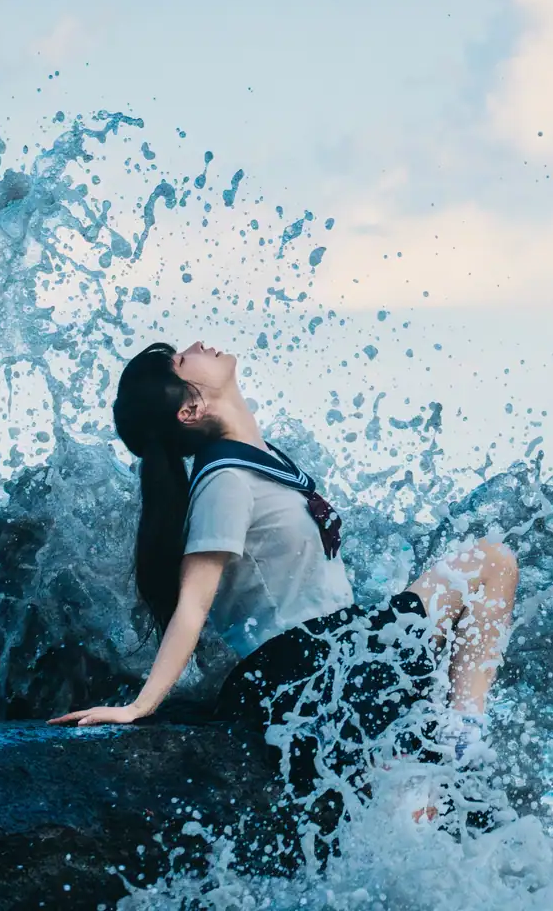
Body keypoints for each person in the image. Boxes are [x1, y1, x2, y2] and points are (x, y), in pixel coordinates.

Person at [50, 340, 518, 796]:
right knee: (490, 562)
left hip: (343, 651)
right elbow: (193, 604)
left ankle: (460, 737)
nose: (195, 345)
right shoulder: (225, 481)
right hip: (308, 669)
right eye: (180, 360)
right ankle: (461, 739)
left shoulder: (262, 459)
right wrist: (141, 706)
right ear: (189, 410)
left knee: (492, 567)